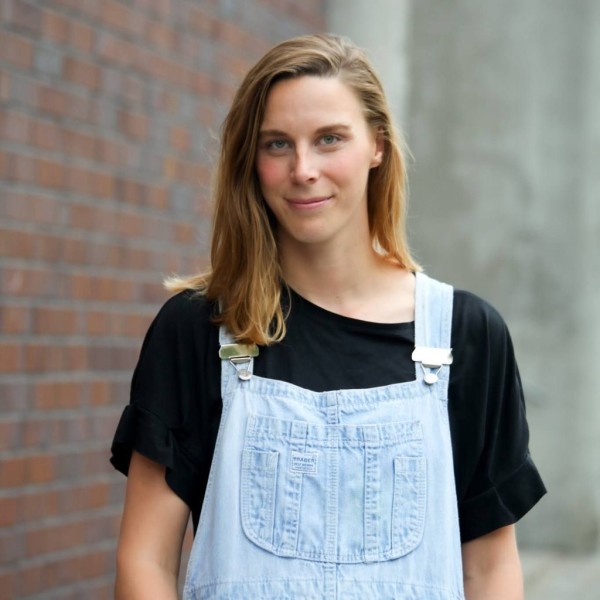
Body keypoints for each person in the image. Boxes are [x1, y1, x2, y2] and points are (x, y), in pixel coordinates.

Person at [111, 33, 546, 599]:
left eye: (329, 139)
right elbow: (145, 560)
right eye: (276, 144)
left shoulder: (466, 336)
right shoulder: (199, 330)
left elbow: (489, 570)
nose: (303, 169)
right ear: (251, 161)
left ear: (377, 146)